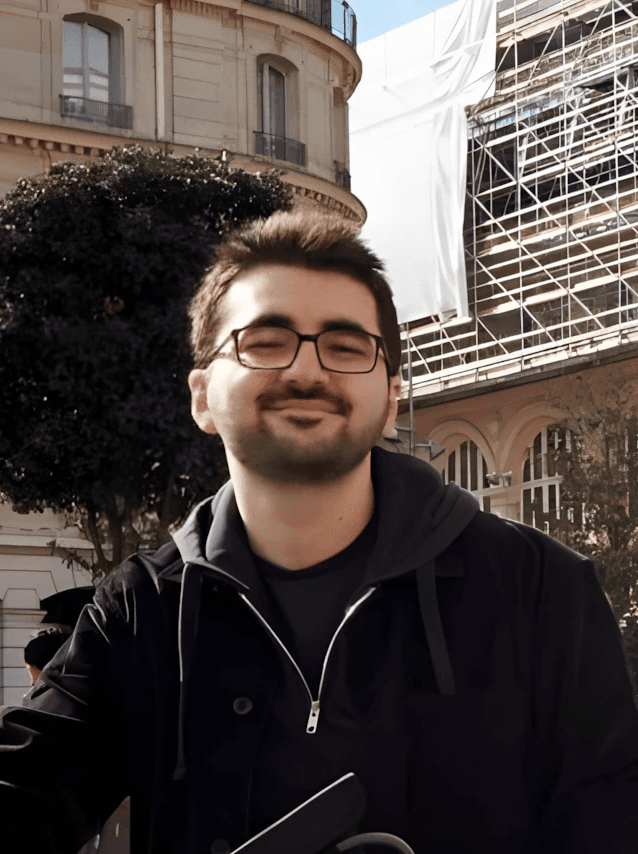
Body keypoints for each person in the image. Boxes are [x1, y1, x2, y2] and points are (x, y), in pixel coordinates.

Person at [1, 209, 638, 854]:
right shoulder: (139, 611)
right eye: (266, 341)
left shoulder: (540, 590)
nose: (308, 371)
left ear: (391, 396)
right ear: (201, 396)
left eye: (346, 346)